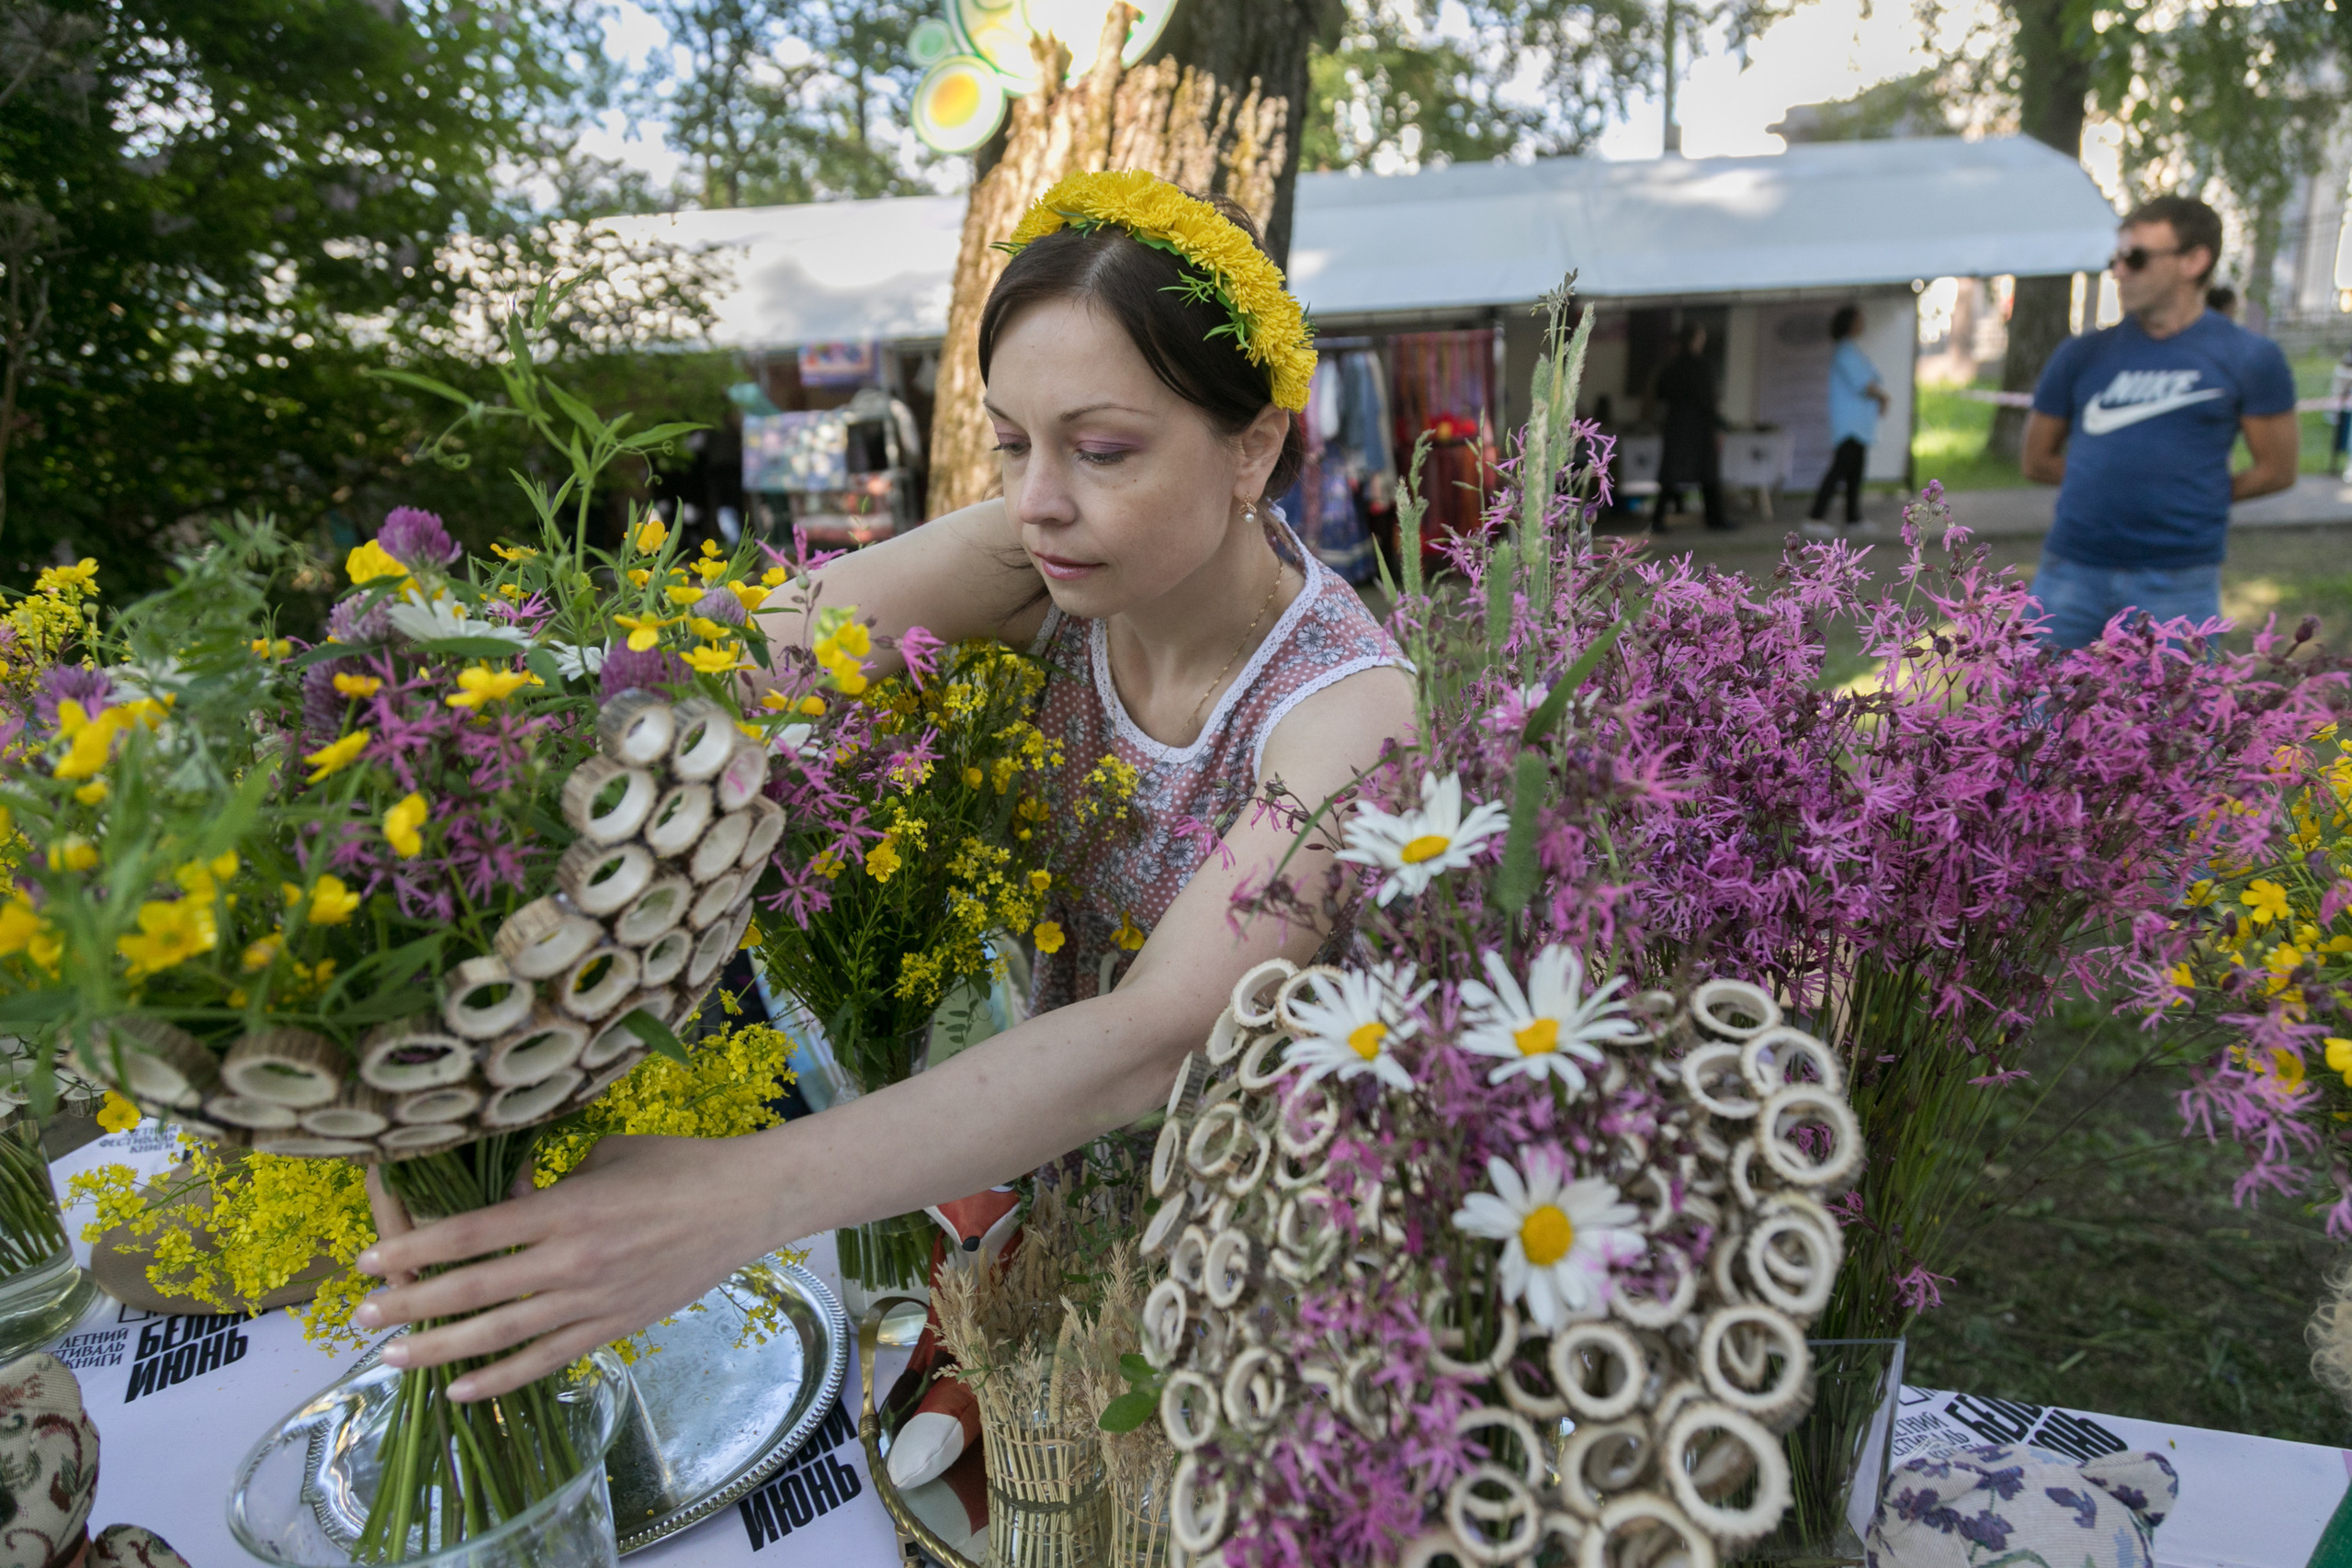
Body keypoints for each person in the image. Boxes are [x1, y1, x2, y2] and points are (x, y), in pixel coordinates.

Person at [345, 173, 1417, 1400]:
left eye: (1102, 448)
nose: (1035, 497)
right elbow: (722, 662)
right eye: (1013, 441)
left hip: (1262, 1270)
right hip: (1052, 1213)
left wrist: (725, 1195)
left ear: (1255, 444)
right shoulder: (1042, 558)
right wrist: (430, 725)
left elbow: (1155, 1037)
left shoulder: (1351, 711)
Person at [2022, 193, 2299, 649]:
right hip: (2070, 571)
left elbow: (2278, 470)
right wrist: (2107, 487)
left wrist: (2195, 496)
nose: (2119, 271)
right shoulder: (2080, 354)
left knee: (2175, 720)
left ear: (2194, 261)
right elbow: (2036, 462)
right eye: (2117, 257)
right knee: (2029, 715)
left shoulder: (2252, 358)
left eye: (2136, 257)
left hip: (2180, 581)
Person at [1804, 303, 1890, 537]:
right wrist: (1884, 397)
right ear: (1850, 323)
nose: (1863, 324)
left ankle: (1853, 517)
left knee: (1855, 472)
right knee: (1839, 470)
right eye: (1860, 319)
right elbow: (1862, 383)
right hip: (1850, 424)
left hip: (1860, 424)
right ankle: (1815, 517)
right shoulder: (1844, 351)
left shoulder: (1851, 349)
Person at [1651, 322, 1735, 533]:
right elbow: (1708, 400)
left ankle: (1658, 519)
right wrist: (1718, 425)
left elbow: (1660, 392)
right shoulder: (1701, 366)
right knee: (1708, 473)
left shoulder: (1672, 365)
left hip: (1677, 425)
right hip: (1699, 426)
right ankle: (1714, 518)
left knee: (1671, 474)